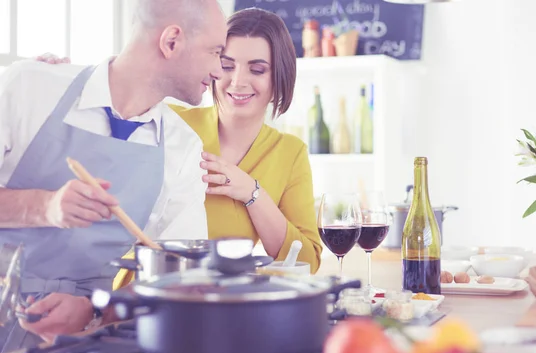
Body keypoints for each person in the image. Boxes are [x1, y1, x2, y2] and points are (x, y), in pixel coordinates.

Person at [36, 8, 324, 288]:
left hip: (218, 304)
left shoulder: (289, 153)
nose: (237, 81)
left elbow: (306, 261)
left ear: (280, 76)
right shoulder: (168, 122)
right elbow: (102, 118)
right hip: (133, 291)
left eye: (257, 69)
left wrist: (252, 194)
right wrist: (61, 82)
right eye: (226, 65)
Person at [0, 0, 227, 352]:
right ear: (171, 41)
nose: (219, 71)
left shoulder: (184, 148)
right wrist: (44, 206)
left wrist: (96, 310)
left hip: (78, 346)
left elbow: (181, 274)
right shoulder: (28, 86)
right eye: (215, 52)